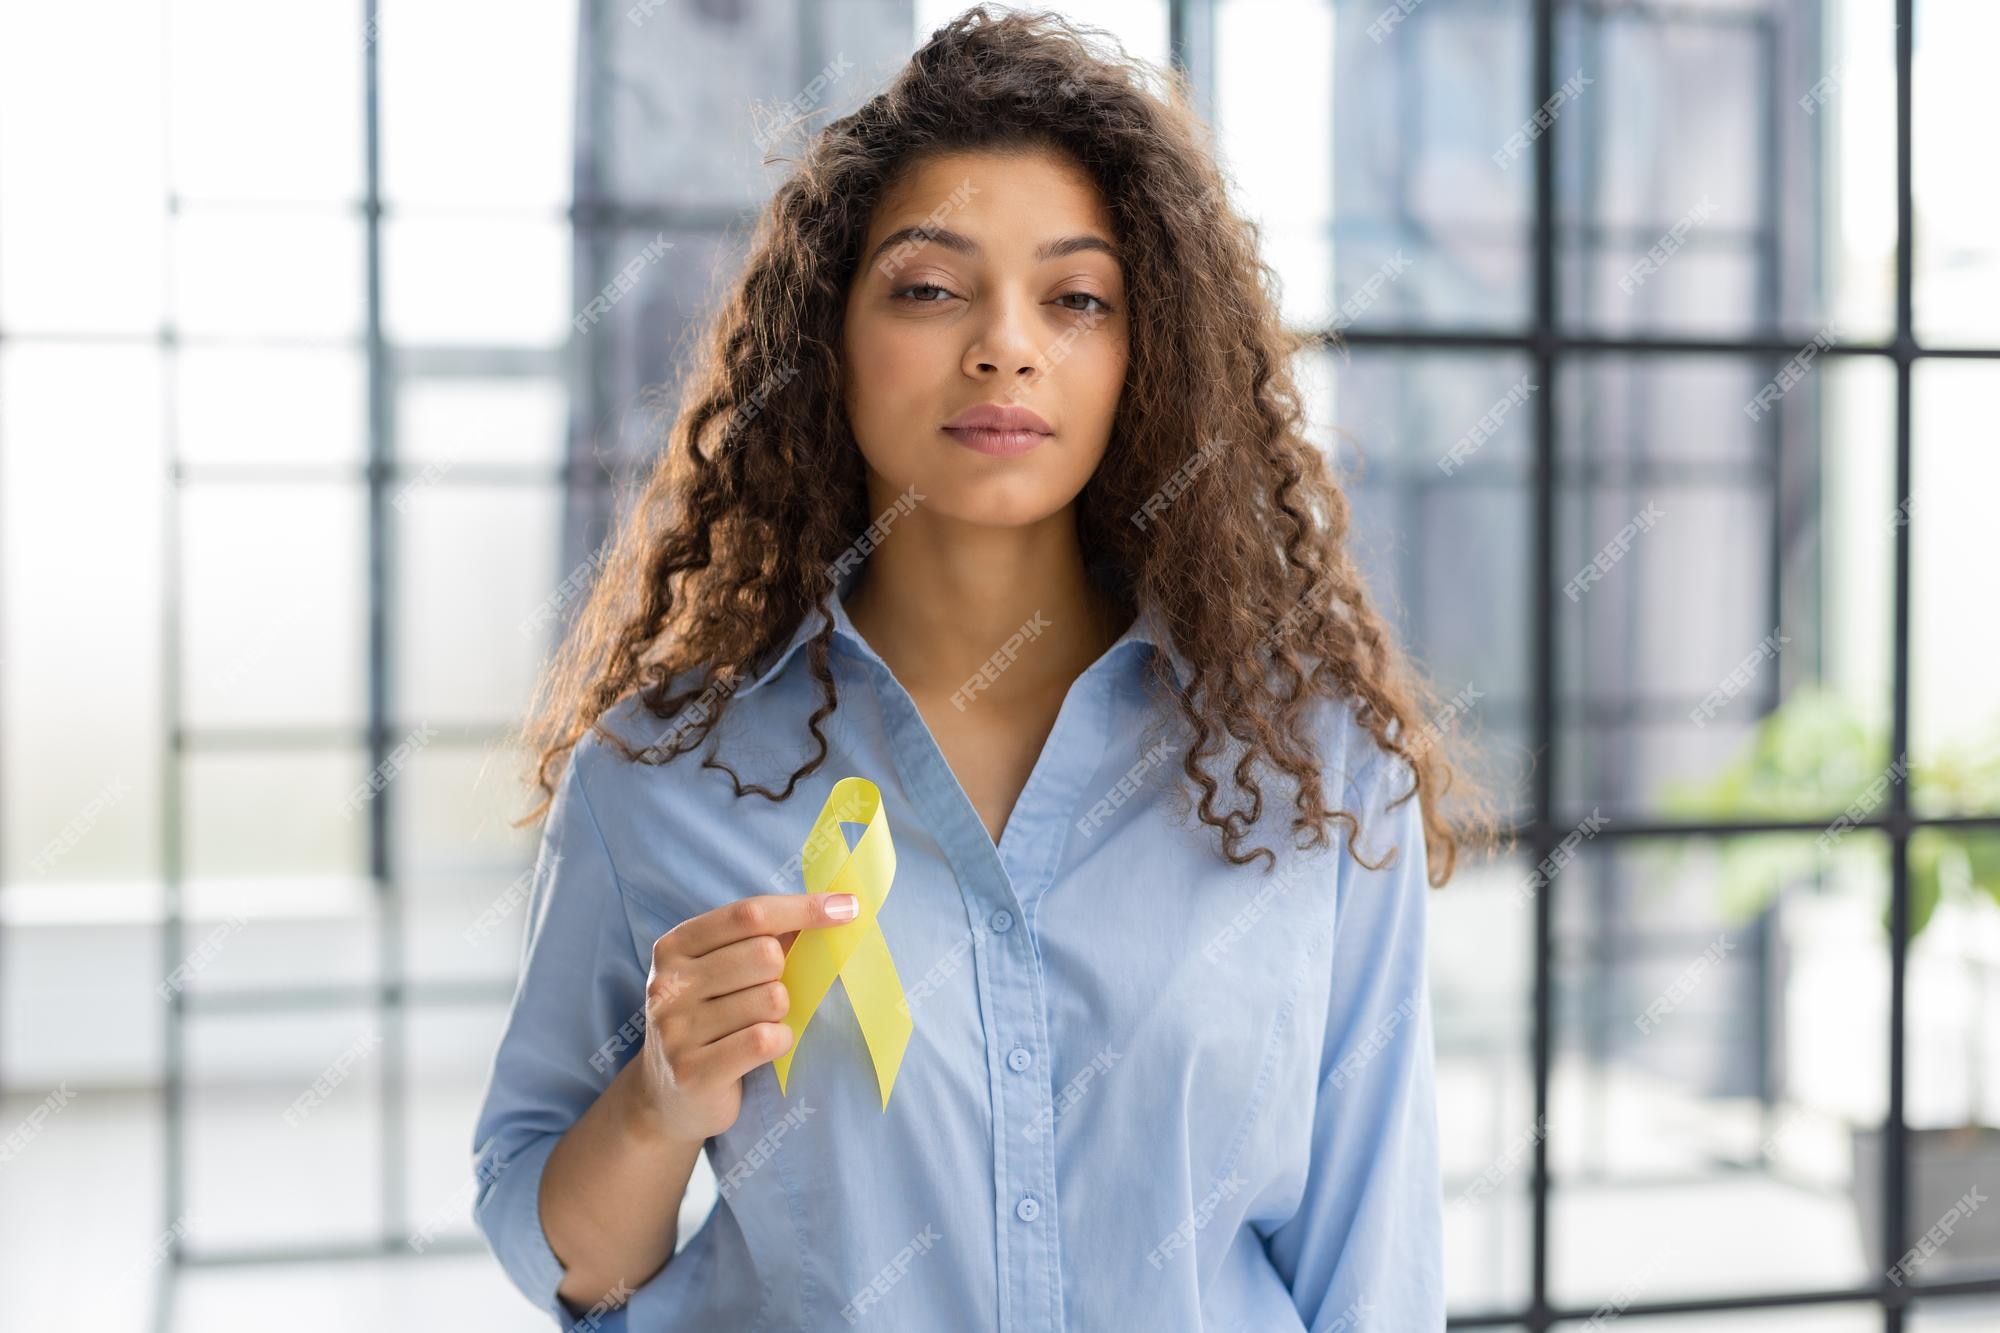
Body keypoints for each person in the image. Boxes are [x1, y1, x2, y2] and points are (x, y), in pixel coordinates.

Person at [473, 7, 1497, 1329]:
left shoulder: (1320, 773)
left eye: (1076, 298)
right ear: (830, 340)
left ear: (1148, 353)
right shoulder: (658, 778)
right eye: (930, 286)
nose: (1004, 344)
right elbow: (570, 1259)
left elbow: (1375, 1270)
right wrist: (659, 1101)